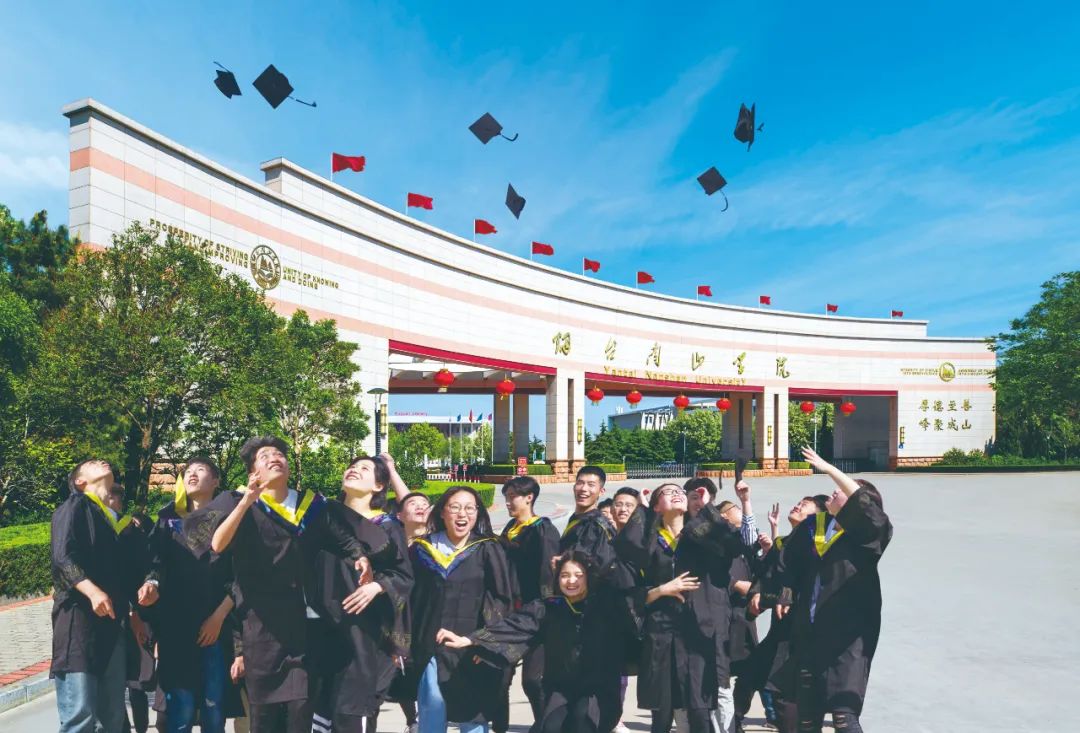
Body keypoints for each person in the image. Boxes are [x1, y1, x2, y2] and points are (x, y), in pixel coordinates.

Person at [202, 436, 369, 733]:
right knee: (264, 717)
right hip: (261, 626)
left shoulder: (311, 505)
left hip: (303, 627)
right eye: (265, 456)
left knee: (300, 711)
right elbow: (217, 544)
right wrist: (247, 501)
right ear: (253, 472)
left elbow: (343, 538)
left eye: (279, 454)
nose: (274, 458)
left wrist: (360, 557)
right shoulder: (237, 501)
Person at [439, 552, 638, 733]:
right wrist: (472, 639)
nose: (571, 581)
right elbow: (517, 626)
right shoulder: (549, 608)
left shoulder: (605, 605)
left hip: (599, 690)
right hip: (562, 687)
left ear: (589, 576)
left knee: (582, 722)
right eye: (564, 575)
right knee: (550, 727)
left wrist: (654, 593)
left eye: (578, 575)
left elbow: (637, 603)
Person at [771, 448, 893, 733]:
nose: (834, 491)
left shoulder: (866, 536)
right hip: (811, 634)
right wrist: (785, 592)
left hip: (848, 639)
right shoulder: (814, 529)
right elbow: (788, 561)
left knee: (843, 717)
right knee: (807, 718)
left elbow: (869, 511)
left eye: (842, 489)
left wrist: (830, 469)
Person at [621, 482, 745, 733]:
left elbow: (734, 545)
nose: (677, 494)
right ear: (656, 506)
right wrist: (662, 589)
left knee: (700, 708)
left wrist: (707, 508)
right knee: (663, 711)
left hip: (698, 631)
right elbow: (626, 558)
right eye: (668, 492)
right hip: (662, 634)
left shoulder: (698, 536)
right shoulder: (651, 541)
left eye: (680, 491)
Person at [306, 455, 414, 733]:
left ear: (379, 486)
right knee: (319, 712)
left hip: (364, 633)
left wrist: (377, 586)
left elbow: (403, 575)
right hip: (320, 626)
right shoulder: (323, 517)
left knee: (352, 711)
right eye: (352, 466)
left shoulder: (386, 526)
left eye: (364, 468)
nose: (354, 470)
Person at [51, 459, 159, 733]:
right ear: (80, 482)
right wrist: (92, 590)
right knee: (80, 717)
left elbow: (135, 570)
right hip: (79, 626)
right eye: (91, 463)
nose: (101, 461)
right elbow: (63, 557)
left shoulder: (114, 523)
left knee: (112, 717)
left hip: (113, 628)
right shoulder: (74, 506)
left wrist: (148, 585)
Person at [410, 486, 515, 733]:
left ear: (477, 514)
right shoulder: (422, 549)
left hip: (471, 646)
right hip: (431, 643)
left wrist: (487, 643)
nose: (462, 514)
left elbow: (501, 598)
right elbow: (410, 597)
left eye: (469, 508)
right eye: (455, 507)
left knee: (473, 712)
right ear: (442, 512)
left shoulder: (488, 548)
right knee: (432, 704)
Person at [150, 458, 242, 733]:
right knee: (181, 709)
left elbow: (240, 574)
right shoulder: (168, 521)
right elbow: (155, 565)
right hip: (177, 630)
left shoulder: (229, 519)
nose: (191, 474)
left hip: (216, 628)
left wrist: (219, 617)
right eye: (187, 471)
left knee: (214, 708)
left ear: (215, 481)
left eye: (200, 470)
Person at [742, 496, 825, 733]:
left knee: (787, 693)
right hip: (779, 630)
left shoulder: (817, 547)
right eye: (798, 502)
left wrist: (775, 596)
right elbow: (763, 575)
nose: (797, 505)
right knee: (750, 678)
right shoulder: (782, 544)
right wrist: (757, 593)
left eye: (805, 504)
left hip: (801, 631)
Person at [495, 477, 560, 731]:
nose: (508, 502)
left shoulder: (543, 530)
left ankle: (546, 726)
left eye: (513, 496)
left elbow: (547, 575)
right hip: (509, 612)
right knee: (500, 678)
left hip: (535, 613)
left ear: (529, 497)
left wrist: (546, 610)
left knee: (533, 680)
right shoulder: (511, 527)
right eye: (507, 497)